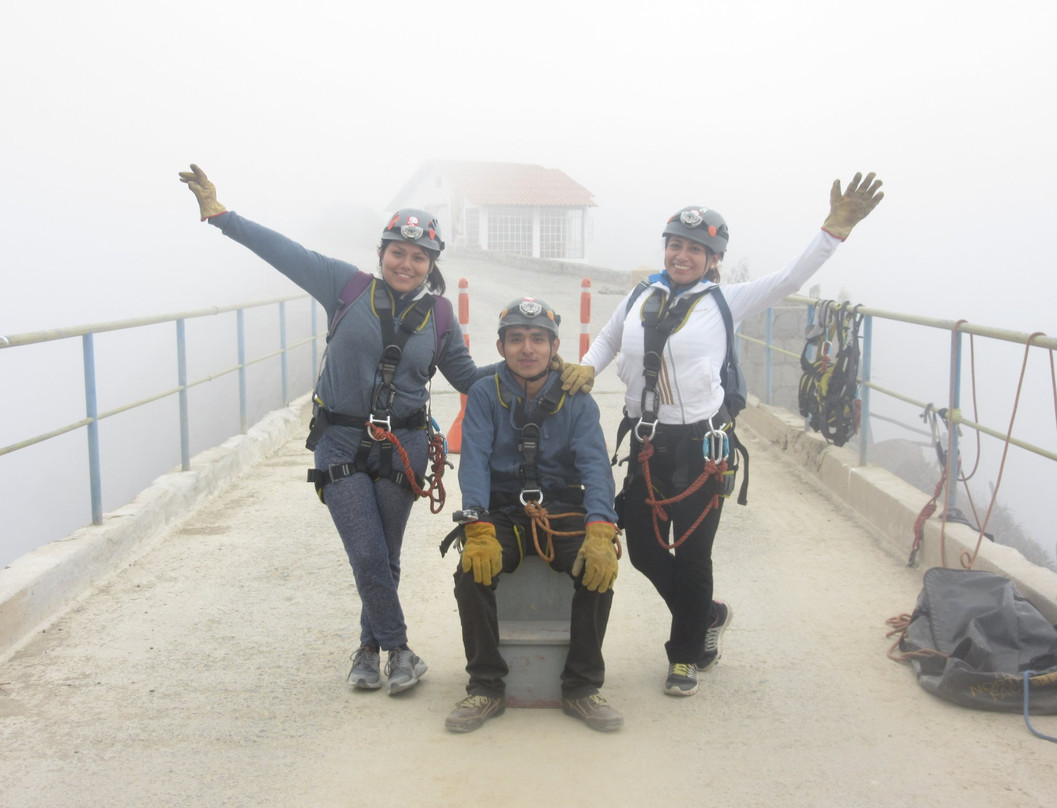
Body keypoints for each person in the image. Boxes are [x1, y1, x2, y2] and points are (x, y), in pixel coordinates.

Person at [557, 172, 885, 697]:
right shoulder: (643, 295)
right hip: (646, 444)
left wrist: (833, 231)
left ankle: (684, 655)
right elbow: (609, 339)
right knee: (640, 547)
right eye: (675, 245)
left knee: (691, 555)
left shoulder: (726, 301)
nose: (682, 255)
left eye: (695, 249)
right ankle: (706, 614)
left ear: (713, 259)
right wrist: (588, 368)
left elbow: (788, 280)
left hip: (700, 449)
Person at [178, 164, 499, 696]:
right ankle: (399, 649)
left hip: (406, 444)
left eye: (419, 256)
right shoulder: (344, 286)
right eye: (398, 251)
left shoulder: (440, 316)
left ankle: (368, 651)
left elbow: (466, 377)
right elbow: (282, 251)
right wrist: (221, 216)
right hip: (340, 439)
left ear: (431, 265)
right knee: (368, 552)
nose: (406, 262)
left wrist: (531, 363)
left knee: (386, 554)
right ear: (382, 253)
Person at [445, 297, 623, 733]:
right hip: (503, 510)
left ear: (554, 345)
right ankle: (485, 685)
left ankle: (581, 686)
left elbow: (595, 466)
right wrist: (477, 523)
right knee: (472, 572)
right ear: (502, 345)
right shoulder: (485, 394)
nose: (528, 348)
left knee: (596, 567)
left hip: (560, 508)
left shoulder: (576, 399)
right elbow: (474, 461)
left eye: (538, 339)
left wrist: (601, 524)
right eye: (517, 339)